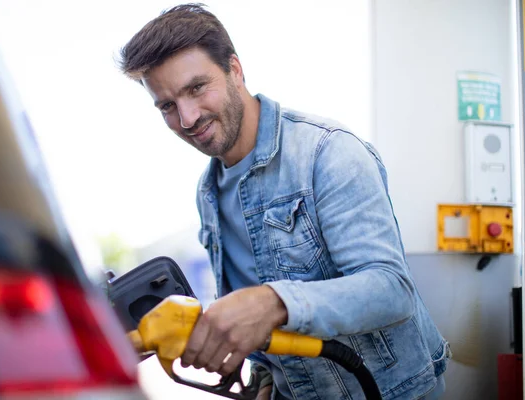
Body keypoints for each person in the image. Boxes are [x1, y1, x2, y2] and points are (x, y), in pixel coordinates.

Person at [118, 4, 450, 399]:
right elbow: (256, 318)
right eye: (167, 106)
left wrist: (273, 302)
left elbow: (391, 290)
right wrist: (263, 377)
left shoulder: (327, 152)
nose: (187, 118)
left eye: (196, 88)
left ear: (235, 71)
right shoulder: (207, 193)